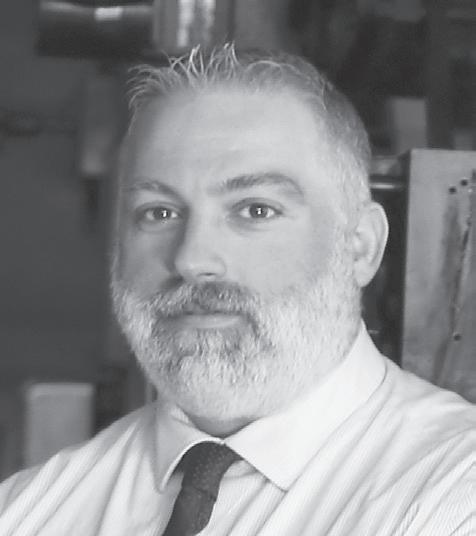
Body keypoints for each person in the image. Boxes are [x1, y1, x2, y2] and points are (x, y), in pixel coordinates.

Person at [0, 44, 474, 536]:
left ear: (359, 246)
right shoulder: (28, 511)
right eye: (159, 213)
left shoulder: (455, 498)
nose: (192, 260)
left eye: (255, 210)